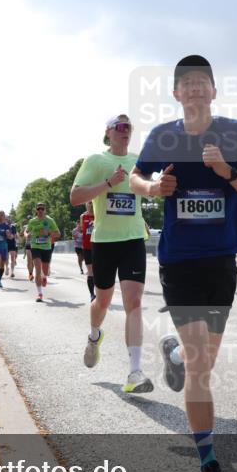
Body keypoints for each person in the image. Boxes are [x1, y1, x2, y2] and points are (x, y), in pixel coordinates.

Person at [130, 55, 237, 472]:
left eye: (200, 82)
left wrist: (227, 171)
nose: (192, 89)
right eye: (184, 83)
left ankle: (173, 356)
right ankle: (208, 467)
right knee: (202, 367)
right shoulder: (163, 136)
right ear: (175, 93)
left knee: (201, 362)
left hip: (221, 263)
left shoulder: (235, 134)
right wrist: (153, 190)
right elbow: (136, 177)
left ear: (212, 90)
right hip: (180, 261)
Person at [71, 114, 152, 394]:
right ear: (108, 132)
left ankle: (135, 372)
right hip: (104, 241)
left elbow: (151, 190)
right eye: (119, 127)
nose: (125, 131)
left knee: (135, 301)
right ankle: (94, 336)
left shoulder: (138, 162)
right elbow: (75, 197)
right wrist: (108, 183)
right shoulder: (95, 161)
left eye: (129, 127)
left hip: (132, 240)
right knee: (102, 301)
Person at [26, 203, 60, 302]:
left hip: (46, 247)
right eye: (38, 209)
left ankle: (44, 277)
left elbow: (58, 233)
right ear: (36, 210)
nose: (40, 210)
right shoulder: (32, 221)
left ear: (45, 210)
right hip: (35, 246)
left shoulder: (50, 220)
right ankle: (39, 294)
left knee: (44, 271)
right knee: (37, 269)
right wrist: (26, 235)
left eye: (42, 209)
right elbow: (26, 231)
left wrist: (48, 233)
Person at [80, 205, 96, 300]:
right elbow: (82, 230)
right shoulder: (83, 216)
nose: (91, 205)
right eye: (89, 203)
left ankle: (100, 293)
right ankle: (92, 294)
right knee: (90, 271)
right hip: (87, 247)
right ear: (86, 204)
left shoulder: (99, 214)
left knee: (98, 270)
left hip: (98, 246)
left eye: (92, 202)